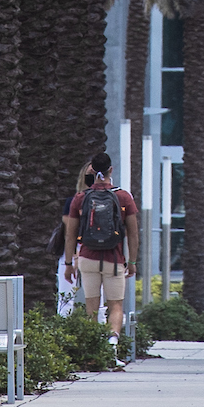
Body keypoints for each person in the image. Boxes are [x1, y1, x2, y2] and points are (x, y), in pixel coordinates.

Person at [63, 153, 139, 360]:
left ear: (91, 171)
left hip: (87, 258)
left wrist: (69, 263)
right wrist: (132, 261)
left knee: (91, 306)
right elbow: (132, 232)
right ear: (110, 171)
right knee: (115, 305)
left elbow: (70, 233)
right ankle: (111, 344)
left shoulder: (80, 198)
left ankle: (91, 350)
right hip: (113, 261)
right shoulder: (123, 197)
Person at [57, 163, 93, 316]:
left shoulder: (109, 201)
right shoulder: (73, 201)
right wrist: (73, 257)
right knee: (65, 297)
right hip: (73, 250)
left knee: (98, 297)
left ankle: (100, 333)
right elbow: (69, 232)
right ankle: (63, 331)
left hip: (95, 252)